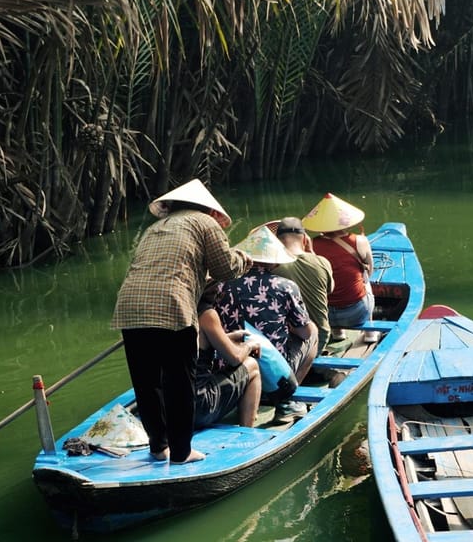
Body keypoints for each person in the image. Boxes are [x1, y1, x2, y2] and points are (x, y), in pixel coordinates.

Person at [111, 179, 252, 464]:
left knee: (147, 382)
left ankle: (158, 447)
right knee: (179, 381)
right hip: (172, 304)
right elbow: (225, 269)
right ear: (206, 208)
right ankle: (181, 452)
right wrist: (243, 258)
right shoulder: (204, 222)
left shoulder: (155, 228)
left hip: (130, 305)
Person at [216, 226, 318, 422]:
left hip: (229, 360)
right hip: (272, 364)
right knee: (312, 332)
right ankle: (286, 400)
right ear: (274, 262)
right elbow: (304, 333)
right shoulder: (285, 286)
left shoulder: (221, 285)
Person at [301, 193, 377, 343]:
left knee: (325, 281)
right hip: (356, 313)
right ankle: (370, 333)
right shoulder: (359, 241)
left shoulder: (311, 245)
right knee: (366, 279)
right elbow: (370, 270)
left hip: (324, 315)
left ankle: (338, 333)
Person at [194, 282, 263, 428]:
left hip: (168, 405)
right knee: (252, 366)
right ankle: (246, 432)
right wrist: (250, 345)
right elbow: (235, 358)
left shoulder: (177, 313)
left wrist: (226, 338)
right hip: (198, 406)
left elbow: (198, 344)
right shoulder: (207, 315)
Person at [272, 217, 335, 356]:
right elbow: (330, 290)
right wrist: (312, 254)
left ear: (277, 241)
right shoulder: (322, 262)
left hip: (287, 340)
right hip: (320, 338)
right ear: (305, 239)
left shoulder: (272, 266)